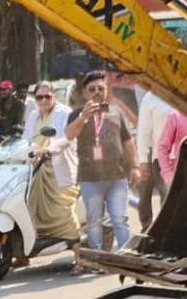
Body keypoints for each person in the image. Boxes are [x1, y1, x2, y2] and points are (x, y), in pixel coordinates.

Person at [65, 71, 138, 256]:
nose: (97, 92)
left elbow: (128, 141)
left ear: (106, 90)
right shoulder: (76, 114)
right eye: (92, 89)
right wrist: (83, 117)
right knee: (94, 220)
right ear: (85, 93)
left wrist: (136, 166)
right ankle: (97, 259)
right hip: (90, 178)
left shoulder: (116, 112)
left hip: (117, 176)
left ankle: (125, 257)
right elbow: (69, 135)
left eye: (101, 88)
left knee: (120, 219)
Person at [20, 81, 82, 271]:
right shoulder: (33, 115)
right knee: (29, 208)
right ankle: (23, 256)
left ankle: (80, 260)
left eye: (48, 96)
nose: (44, 100)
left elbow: (68, 138)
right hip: (35, 169)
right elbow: (25, 138)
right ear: (35, 99)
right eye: (40, 97)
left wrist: (49, 149)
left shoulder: (64, 113)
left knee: (62, 212)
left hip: (57, 168)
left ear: (54, 96)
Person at [133, 89, 173, 228]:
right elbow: (144, 131)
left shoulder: (183, 96)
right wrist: (143, 159)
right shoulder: (150, 98)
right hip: (161, 158)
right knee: (163, 196)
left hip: (186, 154)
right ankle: (154, 230)